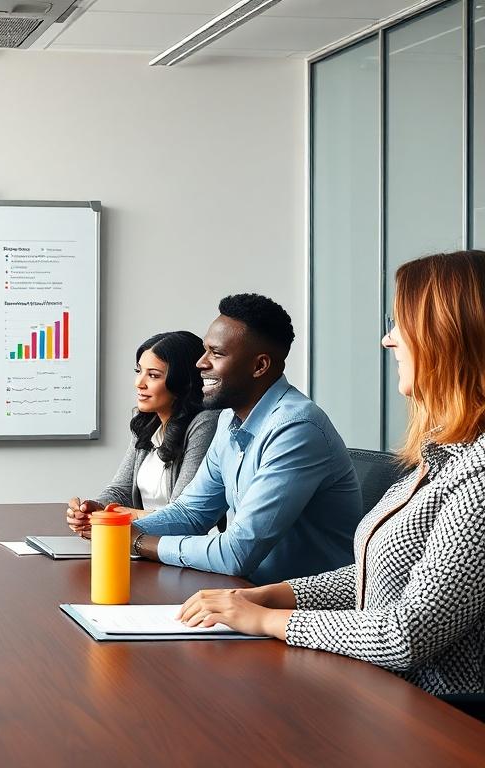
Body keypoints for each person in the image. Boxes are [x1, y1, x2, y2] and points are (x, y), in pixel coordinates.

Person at [178, 251, 485, 699]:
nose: (387, 340)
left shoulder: (477, 476)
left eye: (402, 325)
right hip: (379, 694)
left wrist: (264, 619)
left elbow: (405, 635)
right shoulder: (444, 455)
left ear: (450, 339)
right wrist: (272, 596)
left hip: (438, 720)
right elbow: (369, 580)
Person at [126, 294, 362, 585]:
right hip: (246, 594)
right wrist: (118, 531)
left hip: (299, 610)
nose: (200, 363)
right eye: (204, 351)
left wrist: (140, 543)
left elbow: (237, 552)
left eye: (216, 353)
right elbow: (192, 513)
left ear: (259, 366)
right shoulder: (229, 419)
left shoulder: (296, 428)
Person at [65, 331, 218, 531]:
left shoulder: (204, 423)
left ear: (182, 382)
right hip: (143, 543)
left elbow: (182, 515)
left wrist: (117, 516)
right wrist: (94, 509)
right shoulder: (146, 424)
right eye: (139, 371)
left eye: (153, 375)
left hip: (181, 550)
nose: (139, 383)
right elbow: (121, 490)